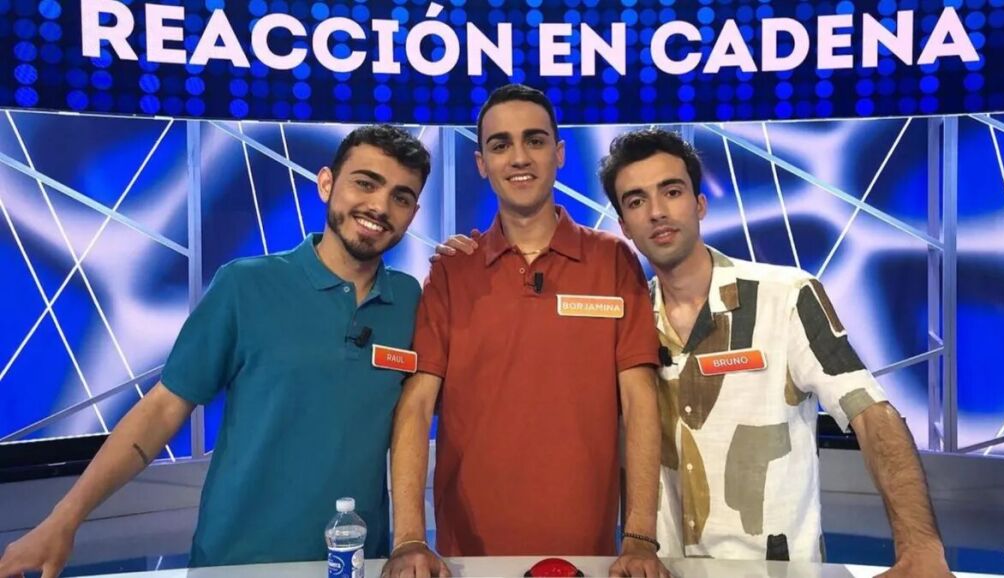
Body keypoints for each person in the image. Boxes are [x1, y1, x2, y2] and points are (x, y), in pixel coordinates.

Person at [436, 127, 953, 575]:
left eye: (672, 191)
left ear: (700, 204)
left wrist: (920, 547)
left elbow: (872, 415)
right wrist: (468, 257)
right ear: (624, 226)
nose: (657, 212)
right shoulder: (621, 317)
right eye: (636, 201)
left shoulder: (786, 297)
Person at [0, 124, 430, 577]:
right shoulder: (246, 285)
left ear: (414, 213)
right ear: (326, 183)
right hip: (236, 562)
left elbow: (416, 420)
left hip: (354, 562)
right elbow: (162, 409)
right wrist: (64, 520)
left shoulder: (411, 302)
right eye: (365, 183)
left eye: (401, 197)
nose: (380, 207)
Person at [383, 85, 670, 578]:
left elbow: (640, 400)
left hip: (591, 555)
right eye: (501, 145)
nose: (519, 157)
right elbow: (417, 404)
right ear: (482, 163)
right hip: (468, 558)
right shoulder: (452, 270)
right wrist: (409, 538)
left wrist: (640, 537)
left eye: (535, 141)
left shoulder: (612, 260)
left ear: (559, 154)